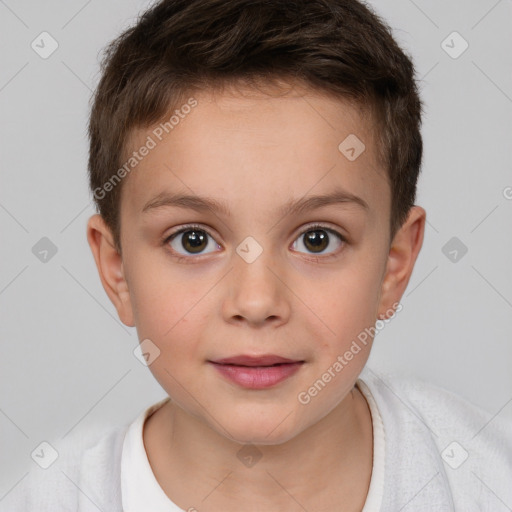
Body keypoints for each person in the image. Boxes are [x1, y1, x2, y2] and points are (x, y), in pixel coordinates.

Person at [4, 0, 511, 510]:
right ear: (117, 272)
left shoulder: (486, 481)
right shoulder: (48, 499)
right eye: (193, 240)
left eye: (317, 239)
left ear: (394, 263)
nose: (256, 301)